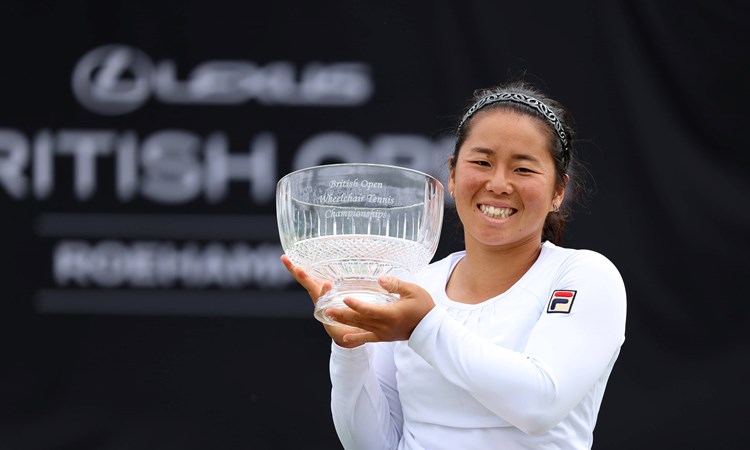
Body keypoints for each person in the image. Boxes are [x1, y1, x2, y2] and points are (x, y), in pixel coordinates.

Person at [281, 80, 627, 449]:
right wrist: (350, 348)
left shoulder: (586, 275)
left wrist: (424, 327)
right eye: (481, 162)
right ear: (452, 174)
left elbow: (540, 405)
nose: (498, 183)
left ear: (558, 190)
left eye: (523, 169)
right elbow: (371, 445)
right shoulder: (411, 287)